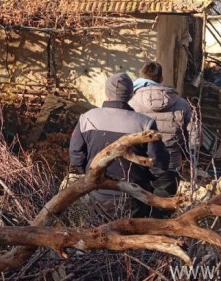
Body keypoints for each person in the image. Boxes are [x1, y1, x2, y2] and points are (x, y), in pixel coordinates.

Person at [69, 73, 171, 219]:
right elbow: (159, 164)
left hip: (97, 193)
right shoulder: (145, 123)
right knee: (131, 239)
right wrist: (148, 179)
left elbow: (76, 157)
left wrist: (90, 174)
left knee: (97, 236)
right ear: (131, 94)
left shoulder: (87, 118)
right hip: (135, 196)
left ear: (106, 92)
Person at [128, 61, 197, 195]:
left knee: (137, 207)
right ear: (161, 79)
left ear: (140, 77)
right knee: (164, 207)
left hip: (139, 163)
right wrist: (188, 156)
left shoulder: (131, 102)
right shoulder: (181, 103)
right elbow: (194, 135)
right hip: (171, 164)